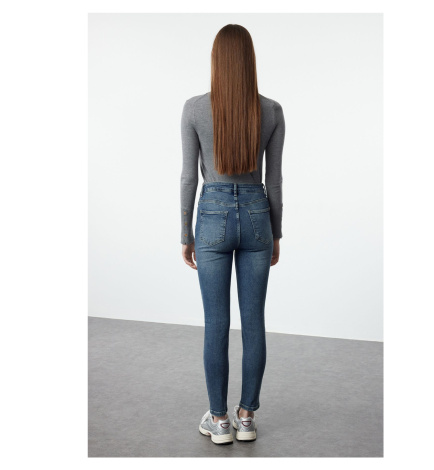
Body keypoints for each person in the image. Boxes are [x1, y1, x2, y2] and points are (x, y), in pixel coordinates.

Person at [180, 24, 285, 445]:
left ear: (216, 61)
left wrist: (184, 233)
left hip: (212, 216)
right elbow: (273, 180)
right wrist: (276, 232)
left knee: (216, 322)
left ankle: (220, 421)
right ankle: (247, 417)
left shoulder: (193, 109)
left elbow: (189, 177)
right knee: (254, 321)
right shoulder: (272, 110)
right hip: (258, 214)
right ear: (250, 61)